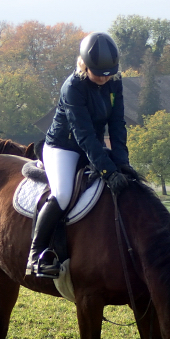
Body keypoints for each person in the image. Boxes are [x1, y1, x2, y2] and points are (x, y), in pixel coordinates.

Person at [27, 32, 131, 278]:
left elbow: (117, 125)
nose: (105, 79)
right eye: (99, 74)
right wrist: (107, 170)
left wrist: (122, 164)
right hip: (63, 147)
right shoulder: (72, 87)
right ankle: (36, 252)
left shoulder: (114, 81)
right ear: (85, 65)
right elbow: (82, 134)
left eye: (109, 74)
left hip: (91, 145)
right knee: (62, 194)